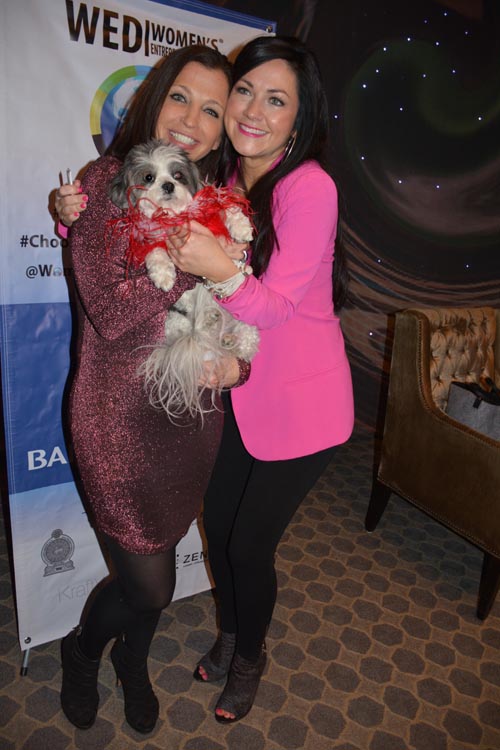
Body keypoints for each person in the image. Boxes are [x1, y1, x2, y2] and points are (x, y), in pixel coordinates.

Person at [57, 45, 249, 734]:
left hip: (190, 417)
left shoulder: (215, 198)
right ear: (154, 94)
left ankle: (131, 662)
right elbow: (109, 314)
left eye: (211, 110)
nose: (192, 120)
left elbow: (248, 307)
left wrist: (240, 365)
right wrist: (198, 264)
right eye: (181, 98)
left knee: (156, 570)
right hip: (115, 417)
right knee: (150, 581)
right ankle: (81, 655)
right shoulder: (104, 182)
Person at [167, 35, 354, 723]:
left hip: (304, 410)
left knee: (250, 545)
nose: (252, 109)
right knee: (219, 529)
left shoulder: (310, 187)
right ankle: (228, 634)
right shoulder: (221, 181)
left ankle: (249, 659)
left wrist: (220, 268)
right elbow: (145, 221)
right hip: (238, 393)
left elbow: (272, 309)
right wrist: (72, 227)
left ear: (300, 120)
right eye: (244, 90)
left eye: (276, 100)